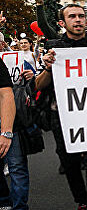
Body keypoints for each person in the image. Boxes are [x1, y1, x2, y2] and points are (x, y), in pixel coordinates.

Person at [35, 3, 87, 210]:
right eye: (72, 16)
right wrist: (49, 68)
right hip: (62, 117)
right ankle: (82, 201)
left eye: (81, 16)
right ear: (62, 22)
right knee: (69, 163)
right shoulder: (54, 47)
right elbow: (38, 85)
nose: (78, 20)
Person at [0, 58, 24, 210]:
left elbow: (6, 94)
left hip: (4, 123)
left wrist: (6, 132)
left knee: (16, 167)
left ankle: (14, 206)